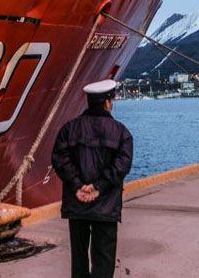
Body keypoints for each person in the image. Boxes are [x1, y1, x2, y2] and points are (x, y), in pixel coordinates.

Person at [52, 79, 134, 278]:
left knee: (78, 259)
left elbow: (60, 159)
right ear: (107, 103)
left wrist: (77, 186)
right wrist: (99, 187)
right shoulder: (122, 133)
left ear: (89, 102)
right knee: (104, 260)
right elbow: (122, 165)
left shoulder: (68, 129)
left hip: (77, 203)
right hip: (106, 206)